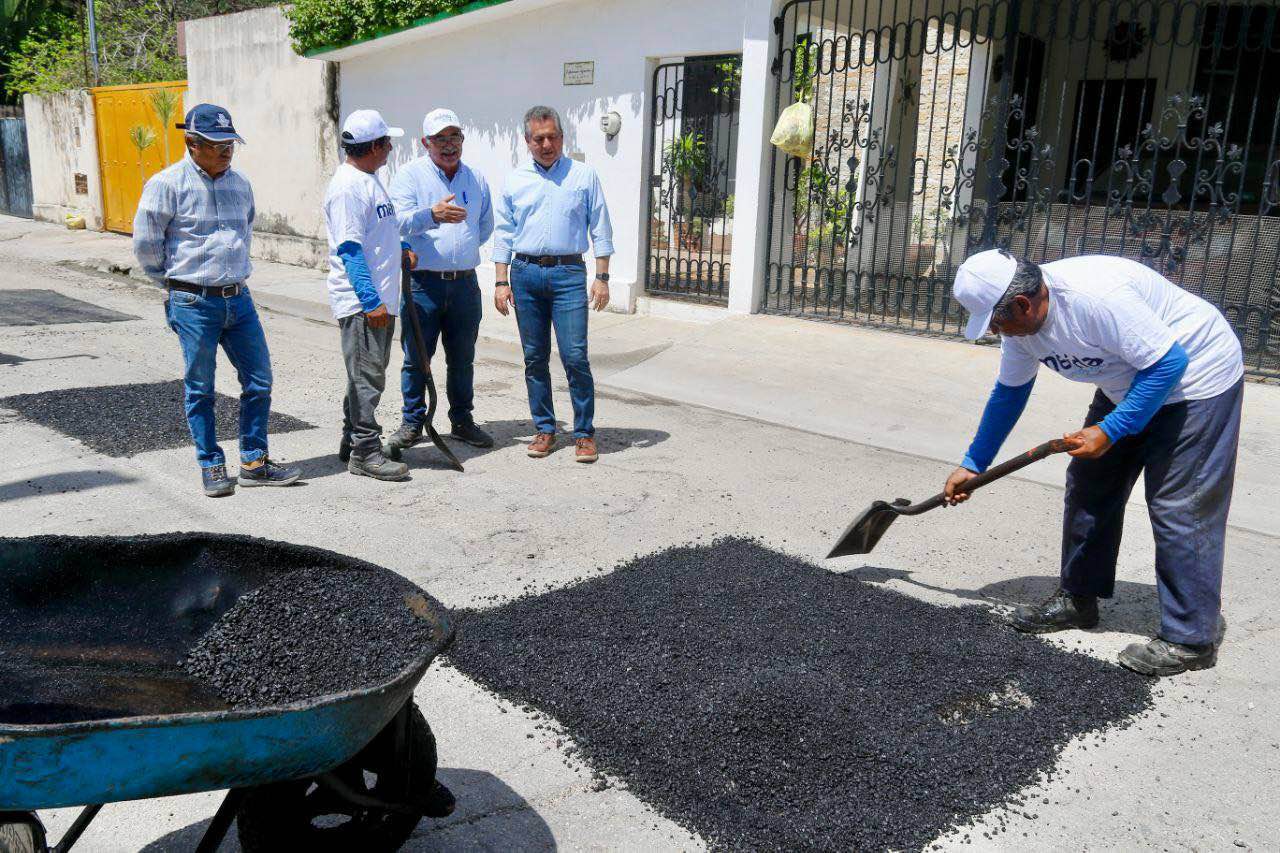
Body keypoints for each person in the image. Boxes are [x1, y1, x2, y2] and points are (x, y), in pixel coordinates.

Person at [946, 250, 1244, 676]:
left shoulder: (1096, 297)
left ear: (1023, 305)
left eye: (996, 322)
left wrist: (1111, 430)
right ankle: (1078, 599)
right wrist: (974, 463)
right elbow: (1010, 392)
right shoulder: (1020, 329)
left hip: (1197, 382)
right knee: (1089, 483)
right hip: (1127, 380)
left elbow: (1169, 363)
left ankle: (1191, 639)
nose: (996, 332)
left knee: (1181, 506)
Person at [134, 103, 302, 498]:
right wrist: (175, 285)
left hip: (238, 300)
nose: (226, 151)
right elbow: (146, 246)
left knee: (259, 380)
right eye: (216, 144)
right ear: (192, 143)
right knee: (201, 387)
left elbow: (245, 232)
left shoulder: (240, 184)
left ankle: (254, 463)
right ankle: (211, 465)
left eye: (230, 143)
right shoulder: (167, 184)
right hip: (193, 302)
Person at [492, 105, 613, 463]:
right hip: (525, 274)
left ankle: (584, 434)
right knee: (534, 357)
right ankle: (544, 428)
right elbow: (503, 233)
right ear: (527, 141)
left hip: (568, 274)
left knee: (575, 356)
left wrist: (602, 277)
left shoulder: (583, 175)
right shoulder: (515, 180)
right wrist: (501, 281)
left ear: (562, 137)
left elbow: (600, 227)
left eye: (553, 137)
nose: (547, 144)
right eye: (539, 138)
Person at [386, 108, 494, 456]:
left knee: (462, 358)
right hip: (423, 285)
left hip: (464, 284)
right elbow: (396, 223)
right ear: (425, 143)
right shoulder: (409, 176)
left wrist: (457, 253)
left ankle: (462, 421)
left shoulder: (475, 178)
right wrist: (432, 216)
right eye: (440, 139)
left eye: (454, 137)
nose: (449, 145)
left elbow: (485, 225)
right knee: (416, 357)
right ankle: (412, 421)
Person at [323, 109, 417, 481]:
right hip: (366, 303)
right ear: (374, 146)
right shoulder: (349, 187)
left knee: (363, 374)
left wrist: (401, 248)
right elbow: (349, 249)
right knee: (368, 378)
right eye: (387, 142)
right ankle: (365, 451)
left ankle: (352, 440)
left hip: (379, 298)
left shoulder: (369, 179)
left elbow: (380, 232)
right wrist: (370, 301)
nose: (391, 148)